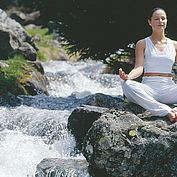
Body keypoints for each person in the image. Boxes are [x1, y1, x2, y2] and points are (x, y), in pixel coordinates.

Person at [119, 7, 177, 122]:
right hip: (148, 89)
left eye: (163, 19)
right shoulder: (142, 43)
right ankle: (165, 110)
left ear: (166, 21)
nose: (160, 22)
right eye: (156, 19)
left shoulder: (175, 45)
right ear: (150, 22)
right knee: (126, 84)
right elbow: (139, 67)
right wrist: (128, 77)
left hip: (169, 89)